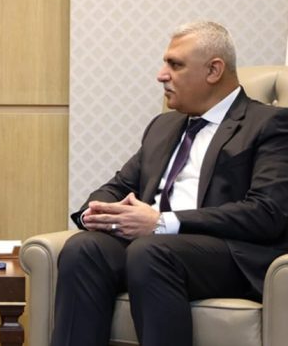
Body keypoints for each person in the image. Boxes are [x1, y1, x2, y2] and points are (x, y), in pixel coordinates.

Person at [51, 21, 288, 346]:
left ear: (214, 70)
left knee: (151, 250)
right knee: (83, 249)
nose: (161, 75)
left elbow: (267, 212)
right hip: (151, 248)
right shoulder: (163, 126)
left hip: (224, 254)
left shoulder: (269, 124)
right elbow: (120, 185)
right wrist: (99, 212)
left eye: (175, 65)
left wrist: (162, 223)